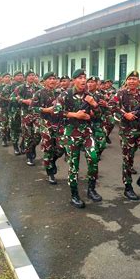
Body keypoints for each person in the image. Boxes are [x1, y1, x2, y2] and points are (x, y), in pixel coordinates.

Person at [53, 69, 102, 208]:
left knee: (93, 158)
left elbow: (98, 115)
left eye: (84, 78)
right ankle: (74, 195)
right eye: (80, 78)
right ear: (74, 80)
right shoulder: (65, 95)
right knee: (74, 165)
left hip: (86, 132)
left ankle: (91, 189)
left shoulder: (89, 95)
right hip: (71, 133)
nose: (83, 80)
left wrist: (94, 105)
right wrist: (75, 115)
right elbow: (56, 111)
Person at [112, 71, 140, 200]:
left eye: (134, 79)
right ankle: (128, 187)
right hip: (127, 131)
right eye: (130, 79)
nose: (132, 81)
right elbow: (111, 105)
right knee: (128, 160)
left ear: (139, 81)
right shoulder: (121, 93)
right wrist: (125, 114)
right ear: (126, 81)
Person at [31, 72, 64, 184]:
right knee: (48, 148)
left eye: (54, 78)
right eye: (50, 79)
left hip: (59, 123)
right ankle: (50, 173)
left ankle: (52, 161)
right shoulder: (39, 93)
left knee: (61, 148)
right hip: (46, 123)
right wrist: (46, 110)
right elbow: (33, 108)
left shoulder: (60, 93)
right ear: (44, 81)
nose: (52, 81)